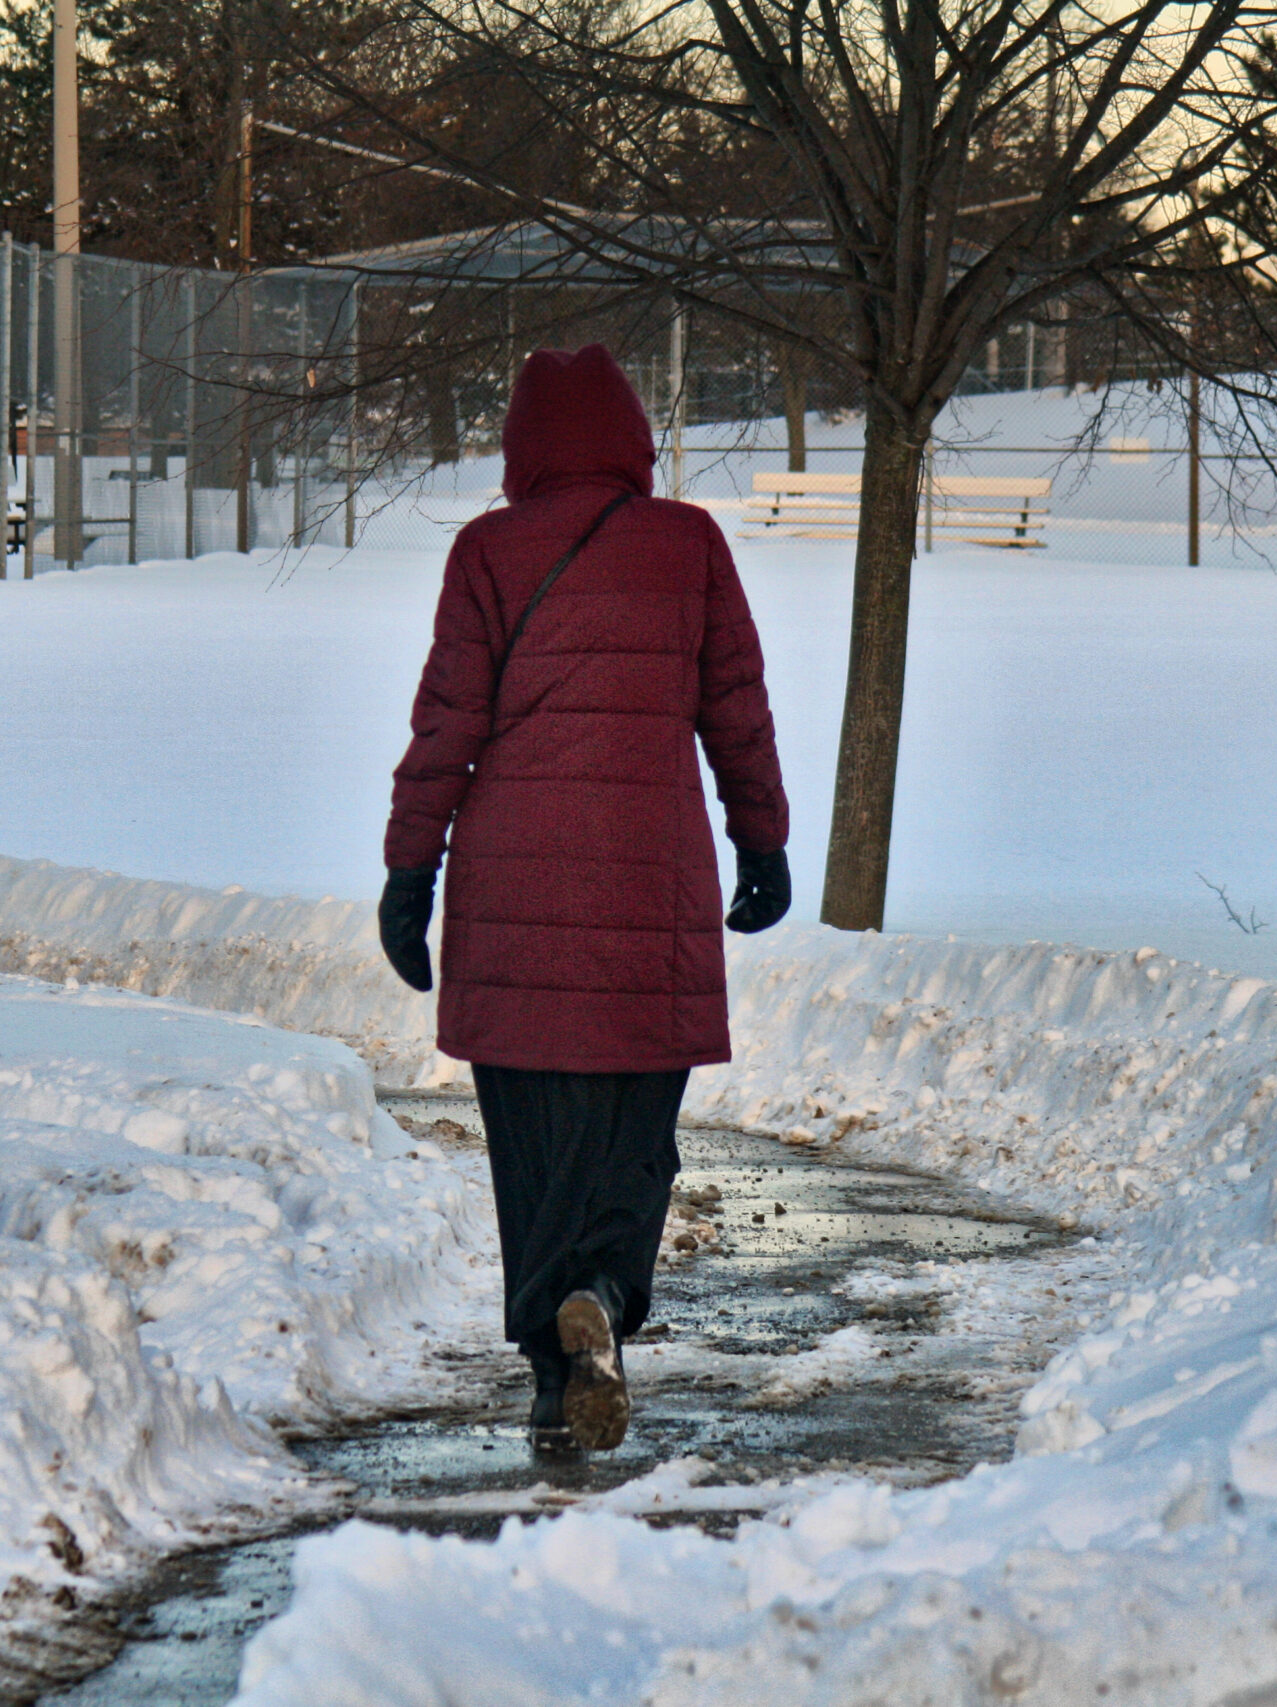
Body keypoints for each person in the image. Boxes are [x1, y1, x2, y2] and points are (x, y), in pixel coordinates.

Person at [378, 343, 791, 1454]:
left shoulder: (487, 551)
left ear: (521, 447)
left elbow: (446, 722)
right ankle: (602, 1294)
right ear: (632, 441)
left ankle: (550, 1377)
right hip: (653, 887)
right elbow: (737, 706)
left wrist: (410, 871)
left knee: (532, 1151)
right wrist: (762, 839)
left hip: (511, 886)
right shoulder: (689, 544)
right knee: (632, 1137)